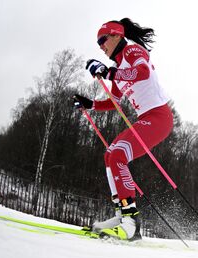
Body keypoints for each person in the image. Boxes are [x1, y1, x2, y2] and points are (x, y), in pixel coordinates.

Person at [73, 18, 173, 241]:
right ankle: (122, 216)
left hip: (159, 117)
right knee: (110, 155)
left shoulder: (132, 51)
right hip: (146, 118)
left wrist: (108, 73)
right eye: (98, 43)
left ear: (117, 35)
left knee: (119, 154)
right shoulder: (118, 69)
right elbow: (115, 102)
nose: (101, 46)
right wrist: (90, 104)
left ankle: (131, 224)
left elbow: (142, 73)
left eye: (103, 40)